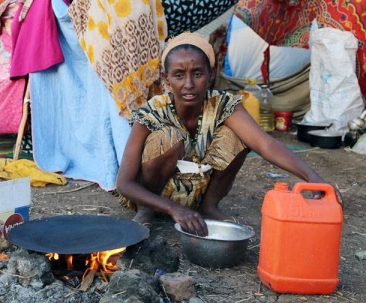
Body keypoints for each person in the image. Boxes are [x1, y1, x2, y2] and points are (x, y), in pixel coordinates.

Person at [116, 32, 342, 237]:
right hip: (153, 197)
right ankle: (147, 212)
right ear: (166, 80)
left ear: (211, 74)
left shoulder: (223, 105)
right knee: (168, 138)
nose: (188, 84)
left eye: (197, 74)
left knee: (236, 137)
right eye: (178, 75)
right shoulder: (152, 111)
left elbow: (266, 145)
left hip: (195, 194)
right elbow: (124, 183)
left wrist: (313, 178)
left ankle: (209, 207)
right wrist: (173, 208)